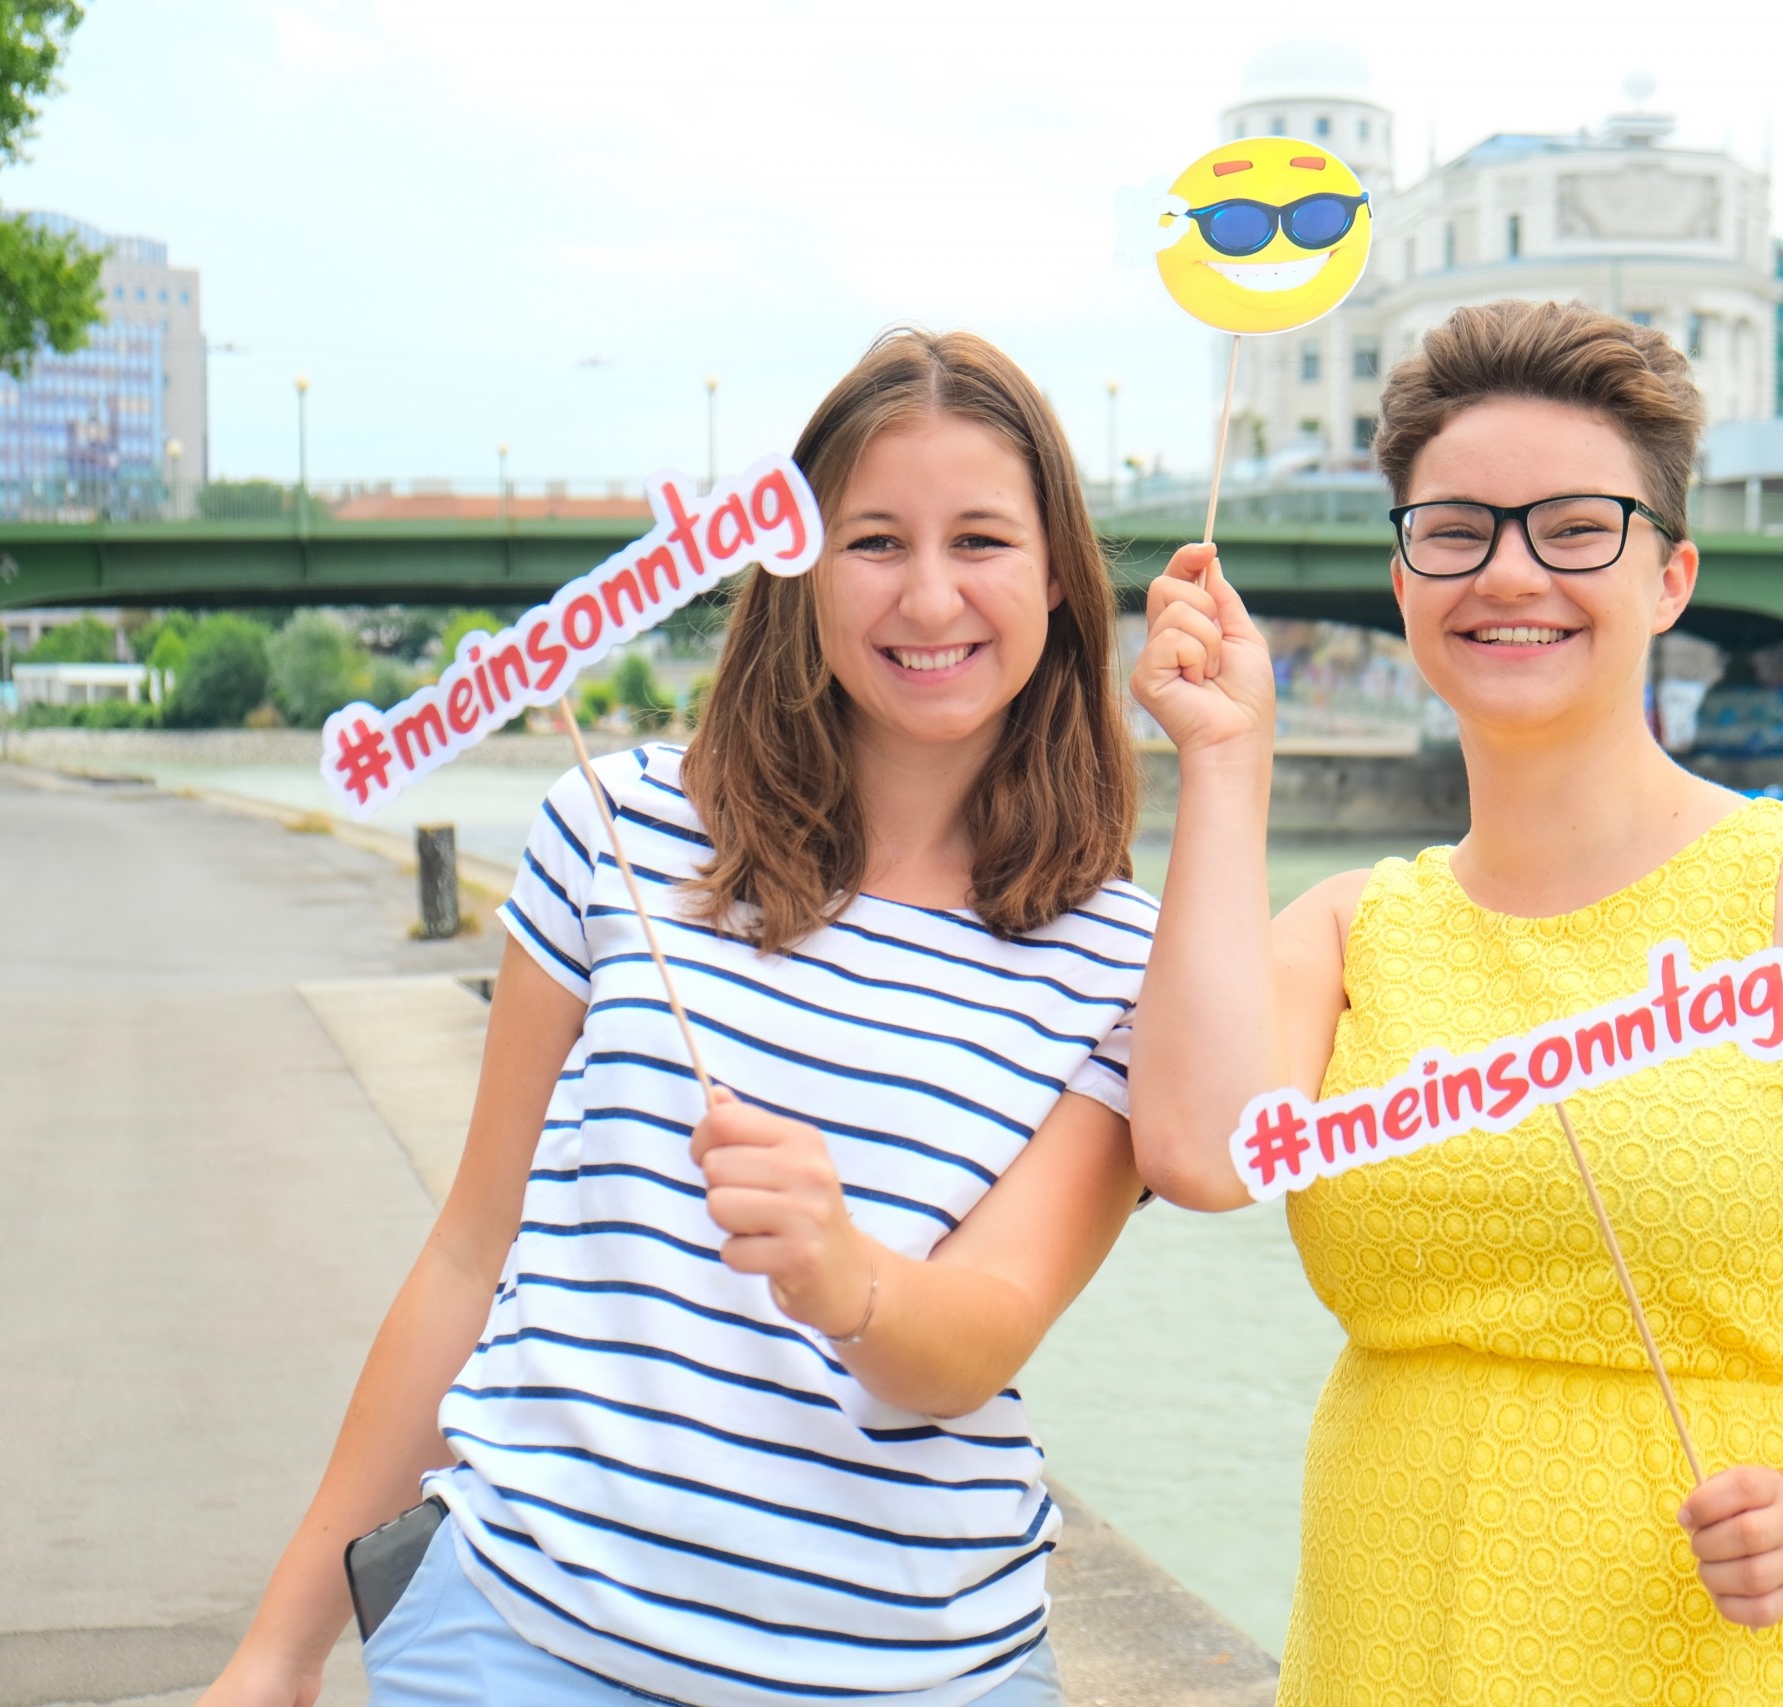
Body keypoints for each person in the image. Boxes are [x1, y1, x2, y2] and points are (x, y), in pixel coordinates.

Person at [1127, 299, 1783, 1704]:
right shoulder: (1349, 930)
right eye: (1456, 530)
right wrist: (1224, 761)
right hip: (1399, 1647)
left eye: (1576, 528)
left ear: (1671, 575)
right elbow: (1198, 1154)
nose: (1510, 571)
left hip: (1734, 1658)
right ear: (1403, 578)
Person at [201, 328, 1152, 1707]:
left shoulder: (1117, 956)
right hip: (518, 1642)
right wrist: (278, 1652)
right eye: (875, 541)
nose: (931, 594)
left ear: (1057, 571)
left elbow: (989, 1332)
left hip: (925, 1670)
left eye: (982, 540)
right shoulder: (618, 825)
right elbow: (471, 1248)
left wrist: (845, 1274)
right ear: (798, 561)